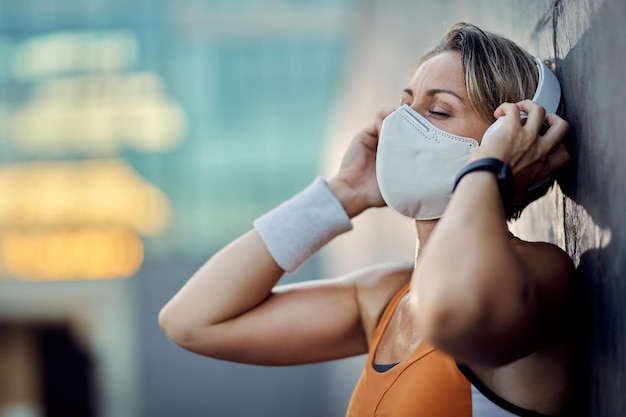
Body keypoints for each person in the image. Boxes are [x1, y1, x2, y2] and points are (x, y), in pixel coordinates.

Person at [159, 22, 581, 416]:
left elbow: (455, 309)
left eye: (437, 111)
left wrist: (492, 169)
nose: (402, 125)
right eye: (405, 105)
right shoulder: (385, 299)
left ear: (512, 138)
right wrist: (343, 193)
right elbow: (191, 321)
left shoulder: (539, 270)